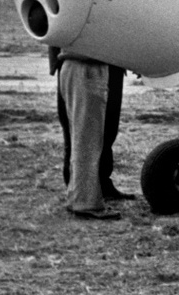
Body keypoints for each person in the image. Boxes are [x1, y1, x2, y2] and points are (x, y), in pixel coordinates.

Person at [50, 47, 132, 219]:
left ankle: (81, 196)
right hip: (87, 66)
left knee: (87, 137)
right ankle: (85, 202)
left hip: (81, 63)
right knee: (86, 139)